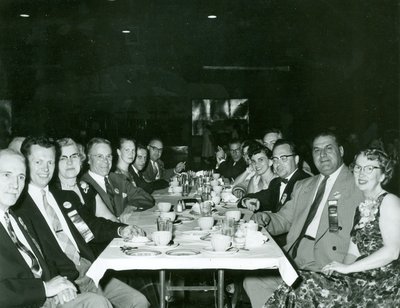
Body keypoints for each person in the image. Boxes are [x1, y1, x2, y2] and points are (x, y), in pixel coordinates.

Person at [14, 137, 150, 308]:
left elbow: (90, 227)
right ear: (25, 164)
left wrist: (121, 230)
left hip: (89, 272)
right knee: (99, 304)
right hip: (62, 280)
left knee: (139, 301)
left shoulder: (64, 198)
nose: (45, 168)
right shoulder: (19, 207)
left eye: (50, 162)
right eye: (38, 162)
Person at [266, 148, 400, 307]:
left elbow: (392, 252)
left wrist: (347, 270)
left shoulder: (389, 201)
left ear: (384, 175)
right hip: (360, 278)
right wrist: (338, 270)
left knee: (304, 285)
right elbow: (353, 251)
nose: (361, 173)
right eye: (358, 167)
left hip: (381, 284)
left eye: (369, 168)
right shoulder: (362, 207)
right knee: (295, 281)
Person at [243, 130, 364, 308]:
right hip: (293, 257)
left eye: (328, 148)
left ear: (341, 151)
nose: (322, 155)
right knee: (254, 281)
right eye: (316, 150)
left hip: (325, 263)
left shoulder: (358, 186)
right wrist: (265, 218)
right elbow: (283, 219)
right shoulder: (304, 185)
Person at [0, 148, 112, 308]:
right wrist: (45, 289)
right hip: (28, 298)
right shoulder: (24, 211)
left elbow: (88, 228)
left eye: (20, 177)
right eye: (6, 175)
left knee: (102, 301)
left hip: (60, 286)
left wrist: (56, 287)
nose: (15, 185)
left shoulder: (14, 218)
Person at [52, 137, 145, 255]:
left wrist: (127, 230)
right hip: (82, 256)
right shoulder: (56, 194)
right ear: (55, 162)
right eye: (63, 158)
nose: (70, 162)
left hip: (98, 248)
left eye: (74, 156)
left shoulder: (85, 187)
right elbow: (86, 231)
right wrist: (120, 230)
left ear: (81, 159)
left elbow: (110, 218)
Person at [81, 138, 154, 220]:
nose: (105, 161)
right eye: (99, 156)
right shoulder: (82, 186)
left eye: (108, 156)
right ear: (89, 159)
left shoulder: (117, 179)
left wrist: (130, 207)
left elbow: (146, 197)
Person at [242, 139, 310, 213]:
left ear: (296, 159)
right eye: (275, 159)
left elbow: (291, 217)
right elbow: (255, 197)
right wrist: (246, 200)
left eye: (283, 158)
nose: (278, 164)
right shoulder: (276, 183)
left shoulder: (305, 182)